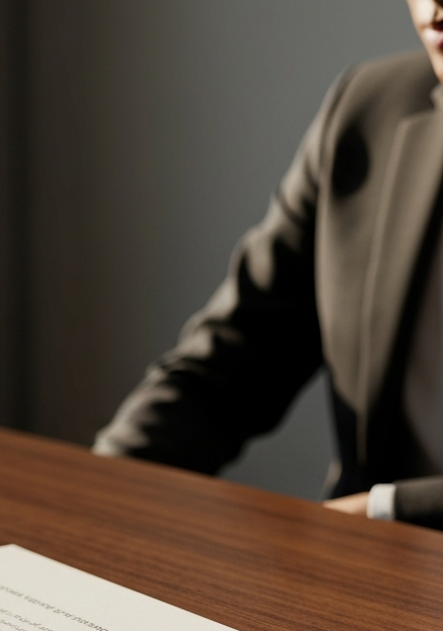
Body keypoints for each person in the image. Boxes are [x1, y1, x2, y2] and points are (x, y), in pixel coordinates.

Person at [93, 0, 443, 531]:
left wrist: (382, 509)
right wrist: (93, 496)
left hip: (357, 543)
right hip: (358, 583)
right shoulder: (370, 109)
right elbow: (234, 354)